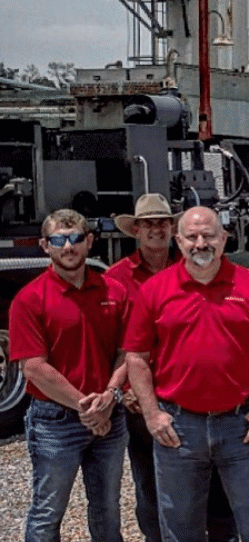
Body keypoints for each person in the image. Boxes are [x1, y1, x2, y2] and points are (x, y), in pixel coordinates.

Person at [124, 206, 249, 542]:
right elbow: (136, 358)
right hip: (179, 428)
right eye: (193, 236)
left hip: (242, 425)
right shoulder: (155, 290)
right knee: (181, 527)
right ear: (179, 240)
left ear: (224, 238)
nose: (202, 243)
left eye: (209, 235)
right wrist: (153, 414)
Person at [109, 193, 238, 542]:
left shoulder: (197, 263)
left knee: (215, 486)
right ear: (135, 230)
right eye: (148, 223)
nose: (155, 230)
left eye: (162, 223)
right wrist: (124, 391)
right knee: (151, 486)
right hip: (143, 401)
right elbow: (118, 344)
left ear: (172, 229)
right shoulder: (117, 278)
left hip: (190, 397)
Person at [9, 209, 130, 542]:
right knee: (48, 512)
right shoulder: (29, 299)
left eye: (76, 238)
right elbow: (34, 366)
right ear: (45, 246)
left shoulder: (114, 292)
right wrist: (89, 408)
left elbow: (128, 353)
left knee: (108, 510)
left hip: (110, 416)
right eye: (59, 240)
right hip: (54, 421)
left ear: (89, 242)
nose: (68, 247)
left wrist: (110, 397)